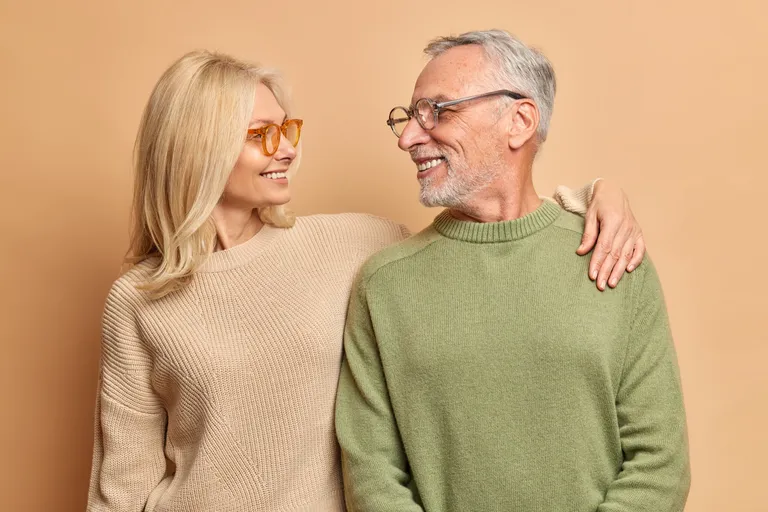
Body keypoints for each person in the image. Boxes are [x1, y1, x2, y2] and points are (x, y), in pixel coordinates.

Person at [86, 49, 646, 511]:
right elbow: (122, 487)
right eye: (261, 134)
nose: (287, 147)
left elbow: (486, 233)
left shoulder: (354, 244)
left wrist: (594, 196)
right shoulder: (139, 300)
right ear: (198, 148)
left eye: (287, 128)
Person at [335, 29, 690, 512]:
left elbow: (660, 463)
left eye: (437, 111)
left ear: (520, 121)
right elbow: (372, 476)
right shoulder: (383, 283)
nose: (408, 138)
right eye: (409, 116)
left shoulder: (614, 254)